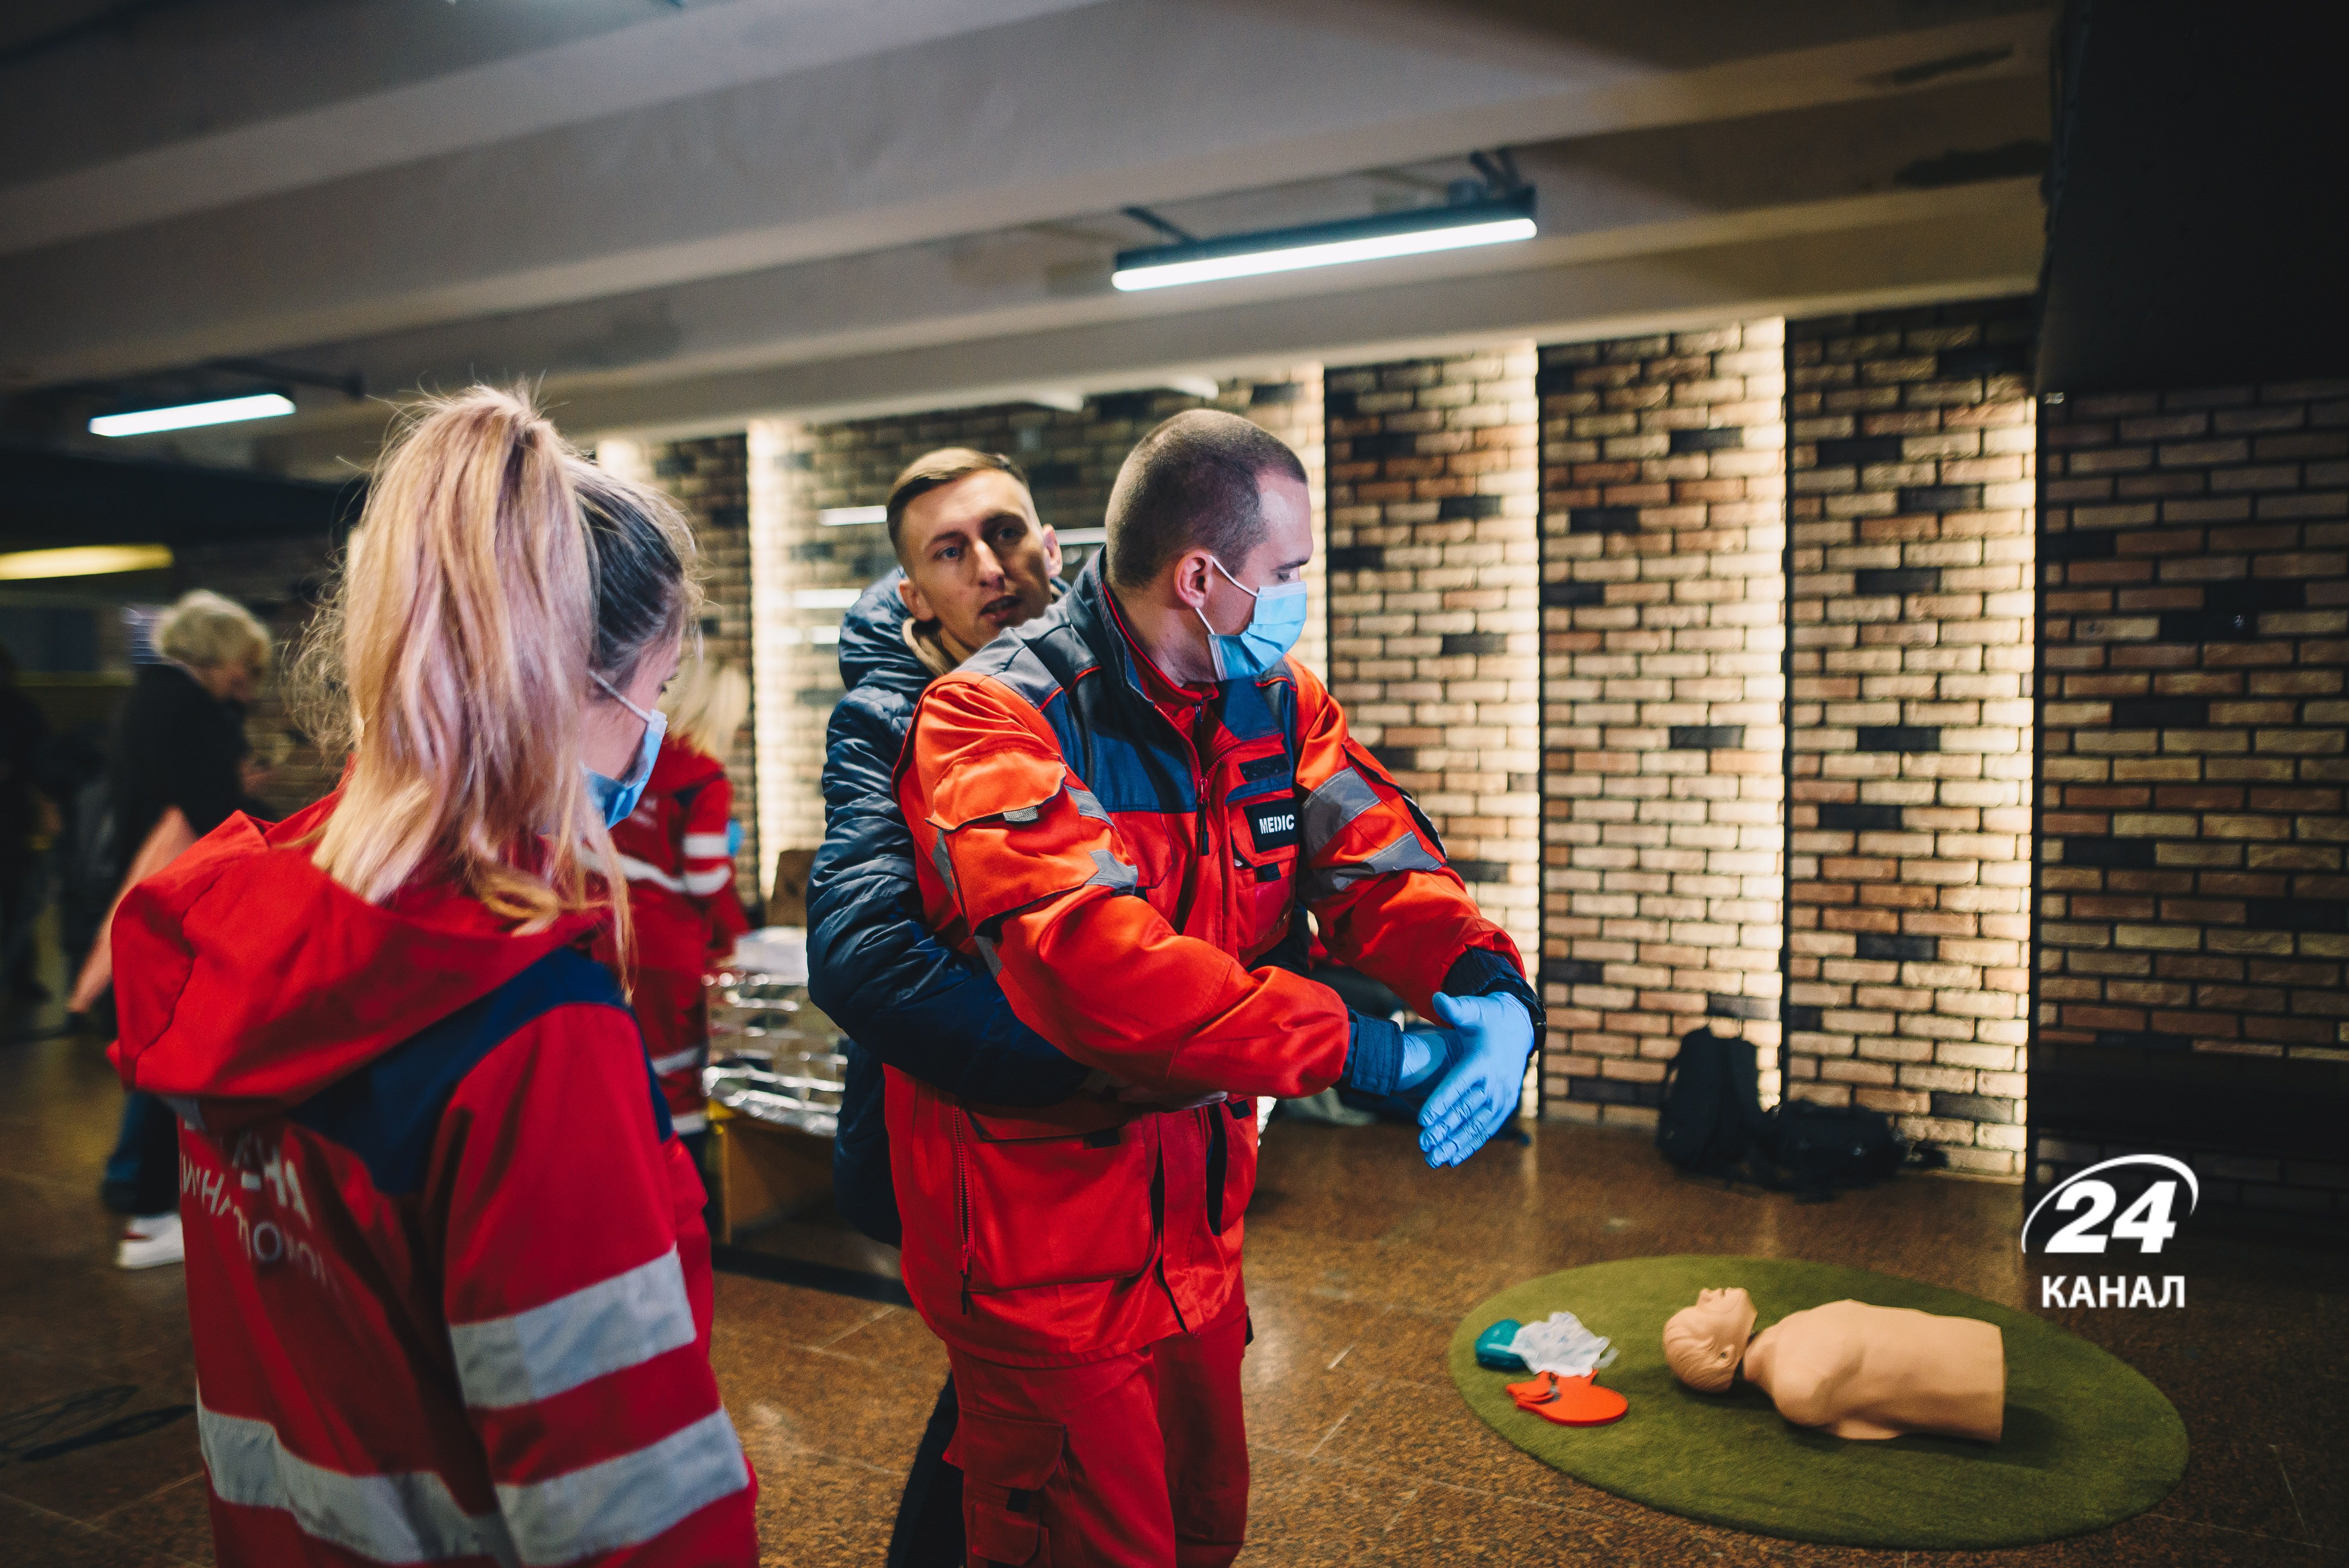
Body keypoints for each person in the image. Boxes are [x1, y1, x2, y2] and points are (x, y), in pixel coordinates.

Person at [108, 389, 757, 1566]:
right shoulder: (533, 1030)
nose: (651, 741)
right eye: (653, 698)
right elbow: (631, 1504)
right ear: (569, 689)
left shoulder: (254, 930)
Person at [887, 410, 1543, 1566]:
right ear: (1200, 576)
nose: (1296, 596)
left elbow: (1377, 859)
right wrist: (1367, 1047)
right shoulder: (993, 716)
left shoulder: (1276, 704)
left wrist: (1483, 981)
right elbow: (1091, 961)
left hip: (1196, 1225)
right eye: (1285, 572)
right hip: (1039, 1250)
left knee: (1200, 1529)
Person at [806, 448, 1089, 1566]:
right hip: (984, 1124)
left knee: (1062, 1406)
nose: (993, 566)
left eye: (1008, 532)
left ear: (1052, 544)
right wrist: (1081, 1069)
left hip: (1120, 1139)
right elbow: (862, 956)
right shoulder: (887, 720)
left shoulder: (1114, 685)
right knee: (1007, 1401)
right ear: (915, 594)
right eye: (952, 551)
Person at [91, 589, 272, 1268]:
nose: (244, 683)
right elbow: (211, 806)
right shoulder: (191, 711)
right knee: (177, 1042)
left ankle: (132, 1179)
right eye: (242, 668)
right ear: (218, 654)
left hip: (145, 886)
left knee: (158, 1036)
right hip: (187, 891)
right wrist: (279, 824)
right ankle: (147, 1207)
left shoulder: (143, 699)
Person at [591, 653, 753, 1168]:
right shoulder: (704, 777)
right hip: (669, 945)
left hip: (608, 930)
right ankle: (680, 1176)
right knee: (676, 1072)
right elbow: (705, 875)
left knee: (624, 1056)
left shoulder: (631, 759)